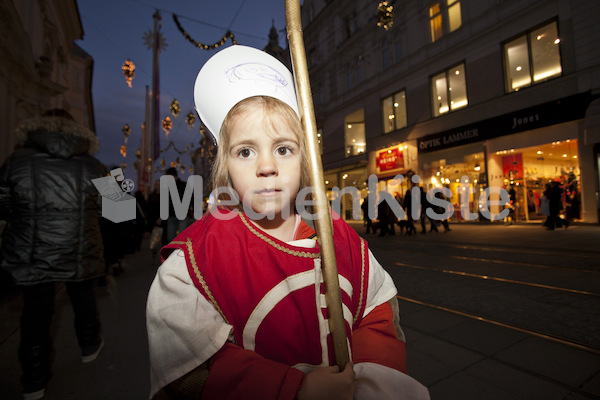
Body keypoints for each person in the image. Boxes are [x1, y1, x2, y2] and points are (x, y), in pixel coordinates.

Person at [146, 45, 429, 400]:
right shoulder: (193, 262)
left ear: (304, 159)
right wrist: (292, 389)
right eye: (245, 151)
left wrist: (369, 383)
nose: (267, 166)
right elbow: (186, 365)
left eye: (283, 148)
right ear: (226, 166)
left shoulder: (341, 240)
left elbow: (377, 314)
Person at [0, 109, 106, 400]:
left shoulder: (16, 162)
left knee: (35, 312)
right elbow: (120, 211)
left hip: (32, 249)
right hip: (79, 245)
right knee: (83, 296)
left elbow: (3, 206)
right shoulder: (95, 166)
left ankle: (33, 380)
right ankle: (89, 345)